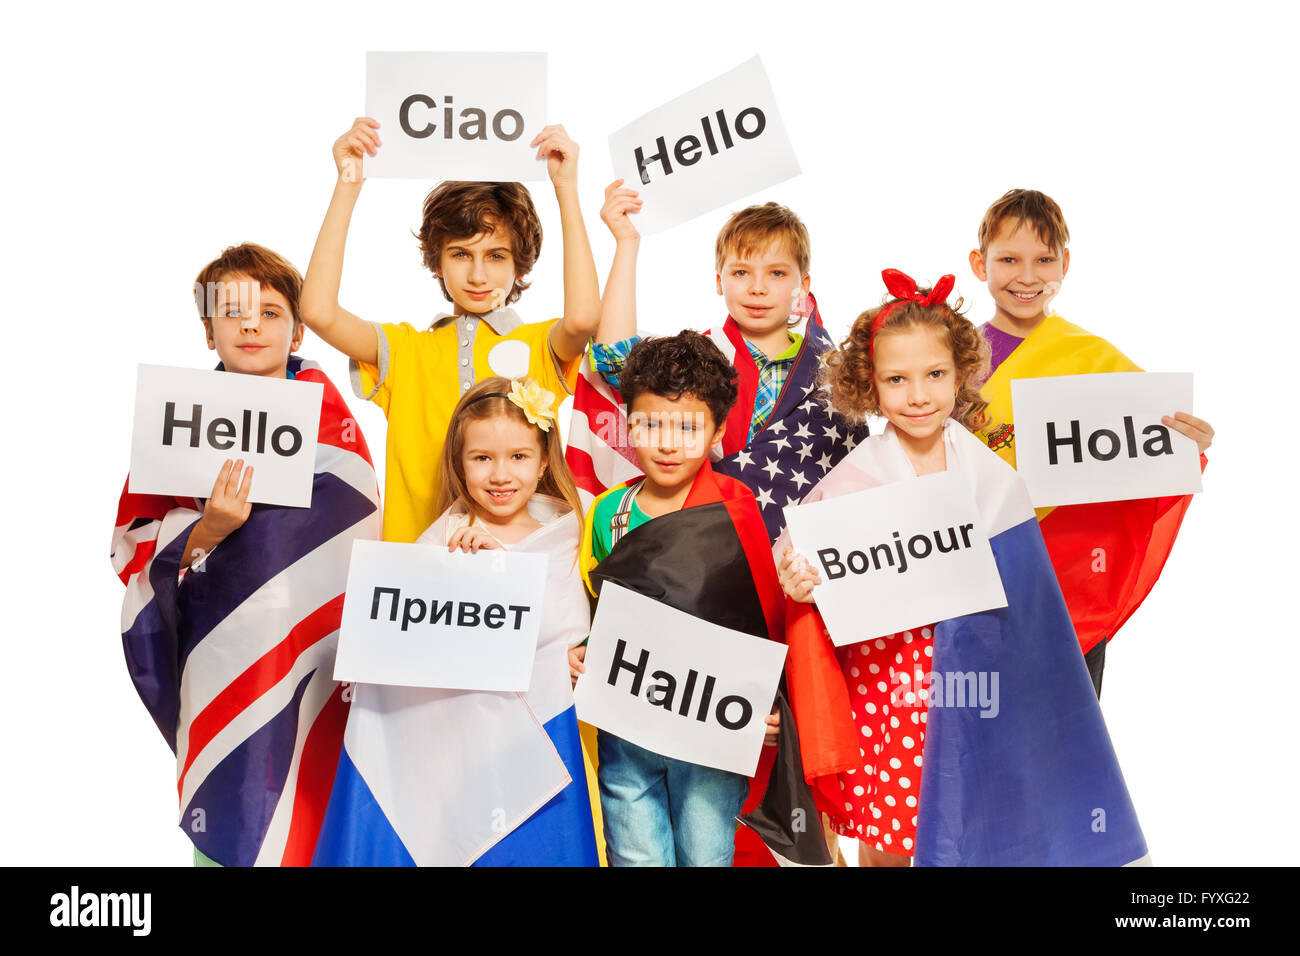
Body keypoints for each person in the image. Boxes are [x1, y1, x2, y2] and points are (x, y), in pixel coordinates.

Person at [776, 269, 1148, 866]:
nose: (917, 395)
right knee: (892, 837)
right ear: (869, 385)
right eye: (896, 380)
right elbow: (799, 565)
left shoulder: (993, 477)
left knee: (977, 824)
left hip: (976, 686)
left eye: (934, 376)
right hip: (888, 691)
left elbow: (1029, 585)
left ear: (959, 374)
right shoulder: (850, 479)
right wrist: (798, 581)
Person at [568, 186, 867, 864]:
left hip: (777, 594)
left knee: (735, 803)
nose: (757, 289)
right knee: (643, 811)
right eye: (741, 272)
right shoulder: (694, 361)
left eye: (776, 273)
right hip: (680, 577)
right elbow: (616, 359)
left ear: (805, 284)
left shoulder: (837, 373)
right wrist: (627, 241)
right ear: (718, 280)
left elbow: (872, 463)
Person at [111, 243, 381, 866]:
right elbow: (133, 543)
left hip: (318, 649)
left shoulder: (332, 421)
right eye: (231, 312)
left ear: (297, 329)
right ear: (208, 333)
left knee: (319, 805)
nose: (252, 324)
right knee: (234, 802)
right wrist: (207, 530)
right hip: (223, 652)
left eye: (270, 310)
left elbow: (361, 530)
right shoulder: (175, 422)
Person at [570, 331, 836, 866]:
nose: (669, 444)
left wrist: (766, 701)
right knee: (635, 855)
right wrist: (583, 649)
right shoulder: (607, 514)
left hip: (711, 732)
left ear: (717, 430)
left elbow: (761, 615)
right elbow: (594, 607)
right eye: (652, 424)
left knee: (707, 853)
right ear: (629, 425)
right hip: (630, 727)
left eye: (689, 427)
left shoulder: (737, 507)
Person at [312, 377, 598, 866]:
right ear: (459, 464)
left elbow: (596, 615)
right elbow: (400, 643)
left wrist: (585, 652)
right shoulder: (446, 535)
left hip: (545, 733)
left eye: (519, 457)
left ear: (545, 459)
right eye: (482, 458)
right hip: (457, 747)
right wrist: (476, 570)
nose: (500, 474)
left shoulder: (577, 524)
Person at [299, 117, 601, 543]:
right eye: (461, 254)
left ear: (519, 265)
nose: (478, 274)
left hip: (512, 577)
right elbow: (317, 311)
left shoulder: (538, 344)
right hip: (415, 580)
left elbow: (585, 319)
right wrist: (348, 183)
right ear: (437, 260)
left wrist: (566, 188)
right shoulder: (405, 350)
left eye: (496, 255)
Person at [969, 189, 1214, 695]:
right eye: (1008, 259)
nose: (1028, 276)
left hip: (1069, 582)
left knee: (1068, 730)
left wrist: (1191, 442)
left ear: (1065, 264)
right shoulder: (952, 359)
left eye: (1044, 260)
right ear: (980, 263)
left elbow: (1148, 452)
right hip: (977, 573)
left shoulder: (1093, 358)